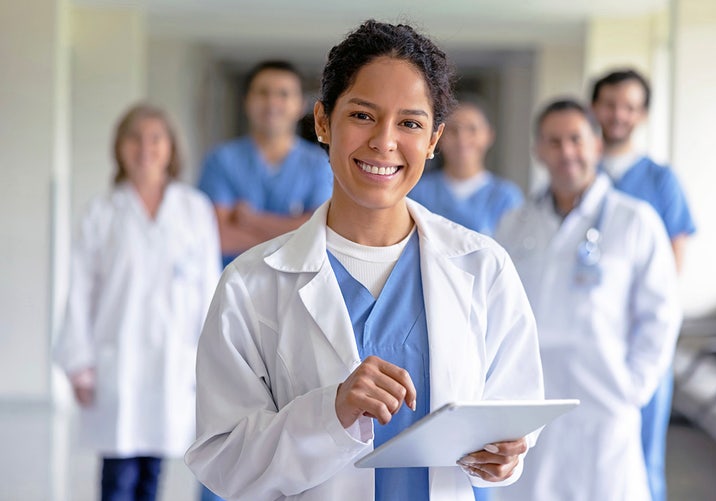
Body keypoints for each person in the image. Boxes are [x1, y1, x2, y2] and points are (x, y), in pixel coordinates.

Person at [185, 20, 544, 501]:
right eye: (362, 115)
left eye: (411, 123)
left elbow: (514, 411)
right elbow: (225, 463)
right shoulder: (250, 284)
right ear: (322, 122)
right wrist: (329, 413)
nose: (384, 141)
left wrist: (503, 457)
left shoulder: (483, 268)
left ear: (434, 139)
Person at [494, 99, 682, 501]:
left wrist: (634, 386)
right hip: (533, 402)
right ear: (537, 150)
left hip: (605, 402)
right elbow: (497, 311)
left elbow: (661, 314)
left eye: (576, 140)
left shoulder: (635, 220)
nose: (566, 152)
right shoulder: (514, 224)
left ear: (597, 144)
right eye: (554, 141)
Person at [53, 103, 221, 501]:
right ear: (119, 148)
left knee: (153, 472)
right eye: (134, 138)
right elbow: (79, 289)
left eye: (155, 138)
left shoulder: (193, 209)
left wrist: (211, 362)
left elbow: (209, 291)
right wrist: (79, 362)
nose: (145, 148)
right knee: (119, 473)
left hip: (174, 361)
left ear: (170, 148)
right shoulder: (102, 212)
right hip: (117, 359)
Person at [591, 68, 696, 501]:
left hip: (639, 340)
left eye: (630, 107)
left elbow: (672, 268)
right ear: (594, 107)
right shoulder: (580, 170)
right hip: (589, 342)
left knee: (644, 452)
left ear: (644, 115)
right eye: (611, 104)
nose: (619, 115)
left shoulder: (659, 180)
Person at [198, 60, 333, 268]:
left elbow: (321, 233)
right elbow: (217, 236)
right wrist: (292, 237)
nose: (272, 103)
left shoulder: (320, 165)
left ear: (301, 106)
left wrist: (251, 220)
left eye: (283, 94)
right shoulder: (221, 160)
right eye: (262, 93)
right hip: (234, 284)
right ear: (246, 101)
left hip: (296, 288)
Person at [408, 99, 523, 235]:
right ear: (438, 136)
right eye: (453, 130)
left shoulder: (506, 197)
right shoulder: (416, 191)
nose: (462, 139)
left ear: (489, 135)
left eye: (472, 129)